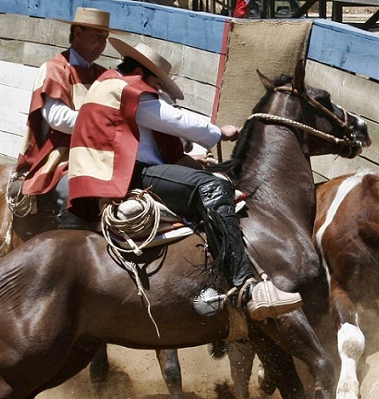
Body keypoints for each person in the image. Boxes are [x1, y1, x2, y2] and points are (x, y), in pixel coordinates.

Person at [67, 38, 303, 321]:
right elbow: (172, 119)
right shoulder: (130, 90)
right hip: (129, 175)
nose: (157, 91)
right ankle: (245, 286)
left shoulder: (109, 85)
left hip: (113, 173)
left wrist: (189, 159)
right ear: (143, 74)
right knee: (213, 186)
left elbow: (145, 140)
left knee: (207, 180)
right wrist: (218, 131)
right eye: (157, 84)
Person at [15, 8, 125, 196]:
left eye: (105, 39)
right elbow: (58, 119)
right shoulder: (54, 69)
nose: (102, 45)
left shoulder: (103, 74)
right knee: (74, 191)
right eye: (97, 37)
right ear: (78, 33)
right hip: (59, 155)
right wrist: (102, 123)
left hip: (96, 152)